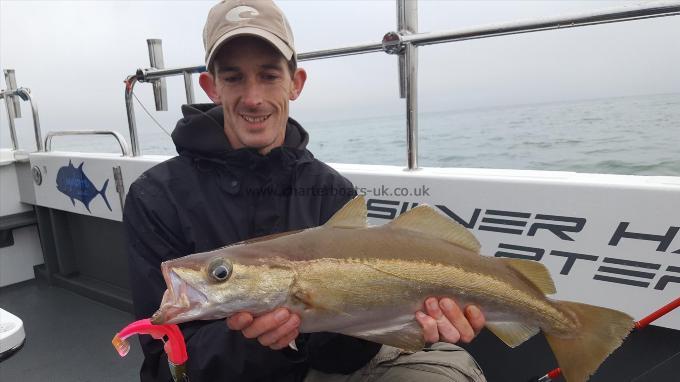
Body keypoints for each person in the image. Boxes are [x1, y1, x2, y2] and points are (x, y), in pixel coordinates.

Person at [123, 1, 487, 381]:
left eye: (268, 76)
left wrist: (392, 320)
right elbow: (164, 364)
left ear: (295, 83)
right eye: (233, 78)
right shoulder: (156, 198)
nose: (253, 98)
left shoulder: (330, 190)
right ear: (210, 86)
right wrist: (256, 343)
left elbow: (341, 359)